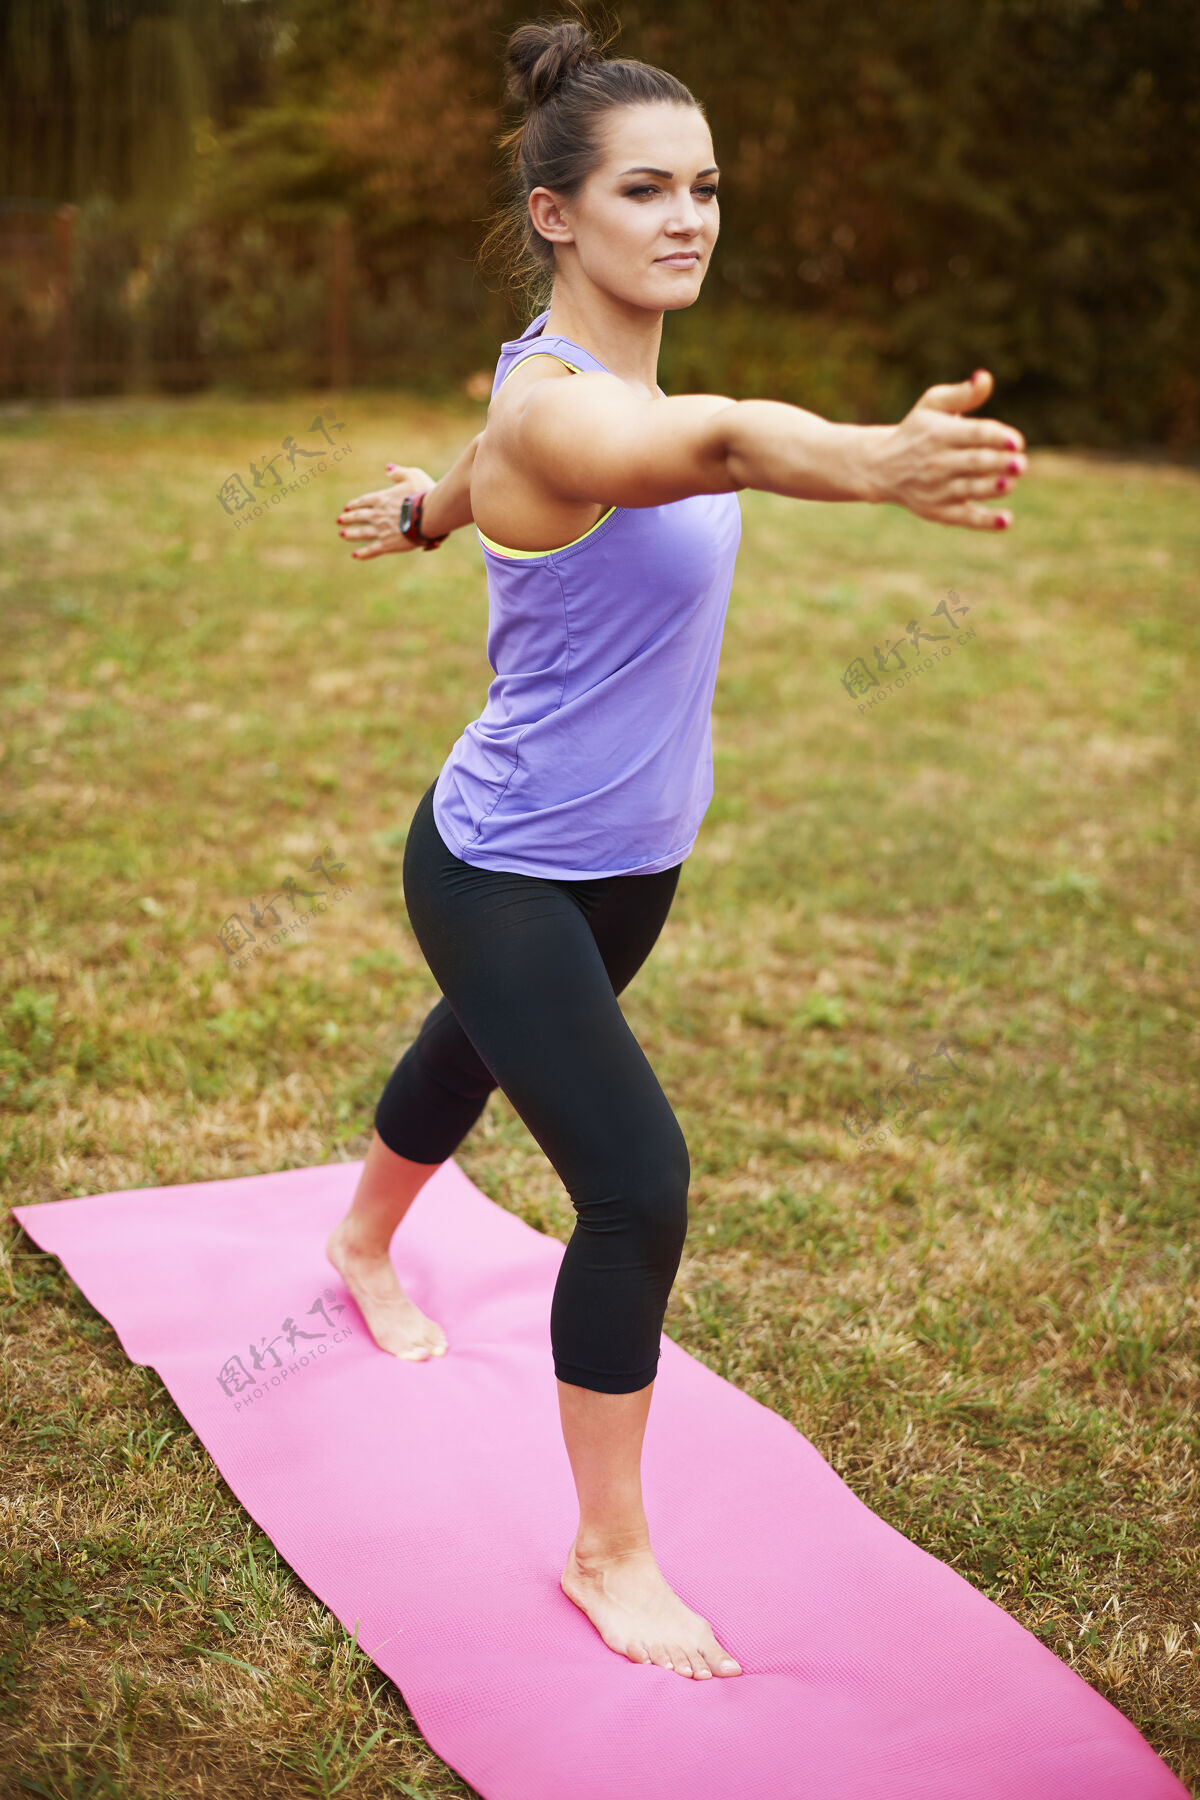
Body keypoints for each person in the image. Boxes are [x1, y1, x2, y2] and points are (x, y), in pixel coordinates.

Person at [326, 10, 1027, 1683]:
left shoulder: (564, 400)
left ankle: (358, 1239)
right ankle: (609, 1550)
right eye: (648, 190)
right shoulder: (577, 417)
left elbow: (506, 472)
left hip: (635, 858)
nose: (691, 216)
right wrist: (866, 457)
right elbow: (691, 446)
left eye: (706, 186)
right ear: (560, 214)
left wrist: (420, 508)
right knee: (636, 1187)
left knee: (468, 1054)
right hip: (496, 857)